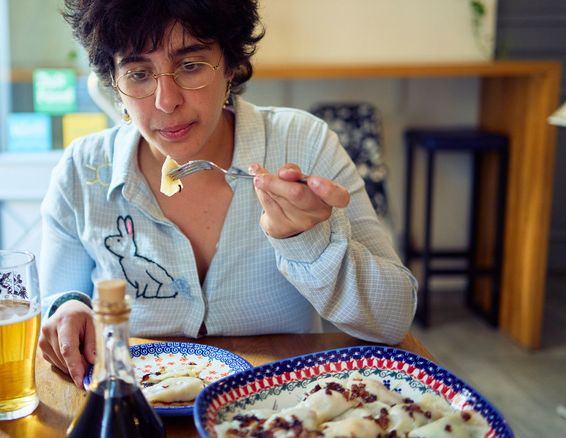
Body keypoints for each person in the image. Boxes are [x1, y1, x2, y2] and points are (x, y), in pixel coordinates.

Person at [39, 0, 417, 387]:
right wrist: (68, 309)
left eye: (191, 66)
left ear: (231, 68)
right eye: (138, 73)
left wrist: (307, 242)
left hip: (276, 407)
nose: (166, 100)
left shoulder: (303, 143)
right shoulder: (83, 170)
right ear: (115, 84)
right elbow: (58, 302)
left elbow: (392, 321)